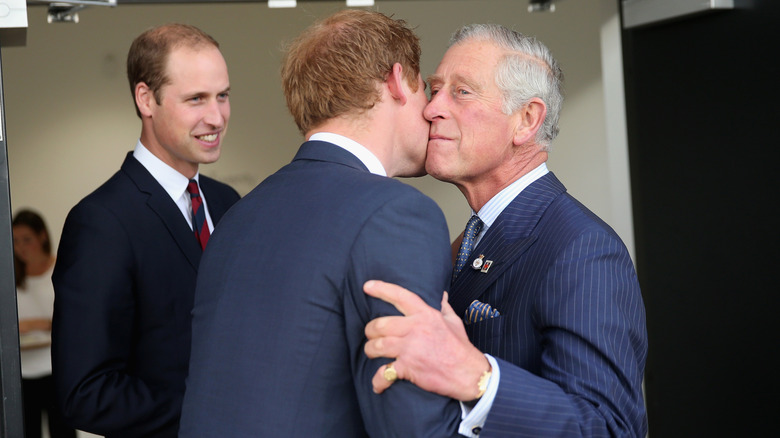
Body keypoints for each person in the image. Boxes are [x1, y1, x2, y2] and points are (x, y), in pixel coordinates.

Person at [179, 10, 461, 437]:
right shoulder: (397, 213)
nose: (432, 110)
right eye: (426, 88)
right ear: (397, 81)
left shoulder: (237, 217)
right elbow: (413, 423)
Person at [363, 24, 649, 437]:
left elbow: (609, 428)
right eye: (434, 87)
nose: (430, 108)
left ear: (527, 120)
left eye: (461, 92)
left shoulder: (582, 249)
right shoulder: (466, 241)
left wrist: (479, 378)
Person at [51, 23, 240, 438]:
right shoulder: (101, 222)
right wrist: (213, 413)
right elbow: (85, 393)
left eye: (222, 95)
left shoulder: (227, 201)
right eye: (196, 99)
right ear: (145, 99)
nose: (216, 117)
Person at [12, 209, 77, 438]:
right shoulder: (11, 278)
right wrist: (28, 326)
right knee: (26, 431)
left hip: (56, 368)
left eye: (26, 240)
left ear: (42, 236)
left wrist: (43, 323)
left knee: (63, 431)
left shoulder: (61, 269)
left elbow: (73, 318)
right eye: (16, 241)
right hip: (23, 371)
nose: (21, 247)